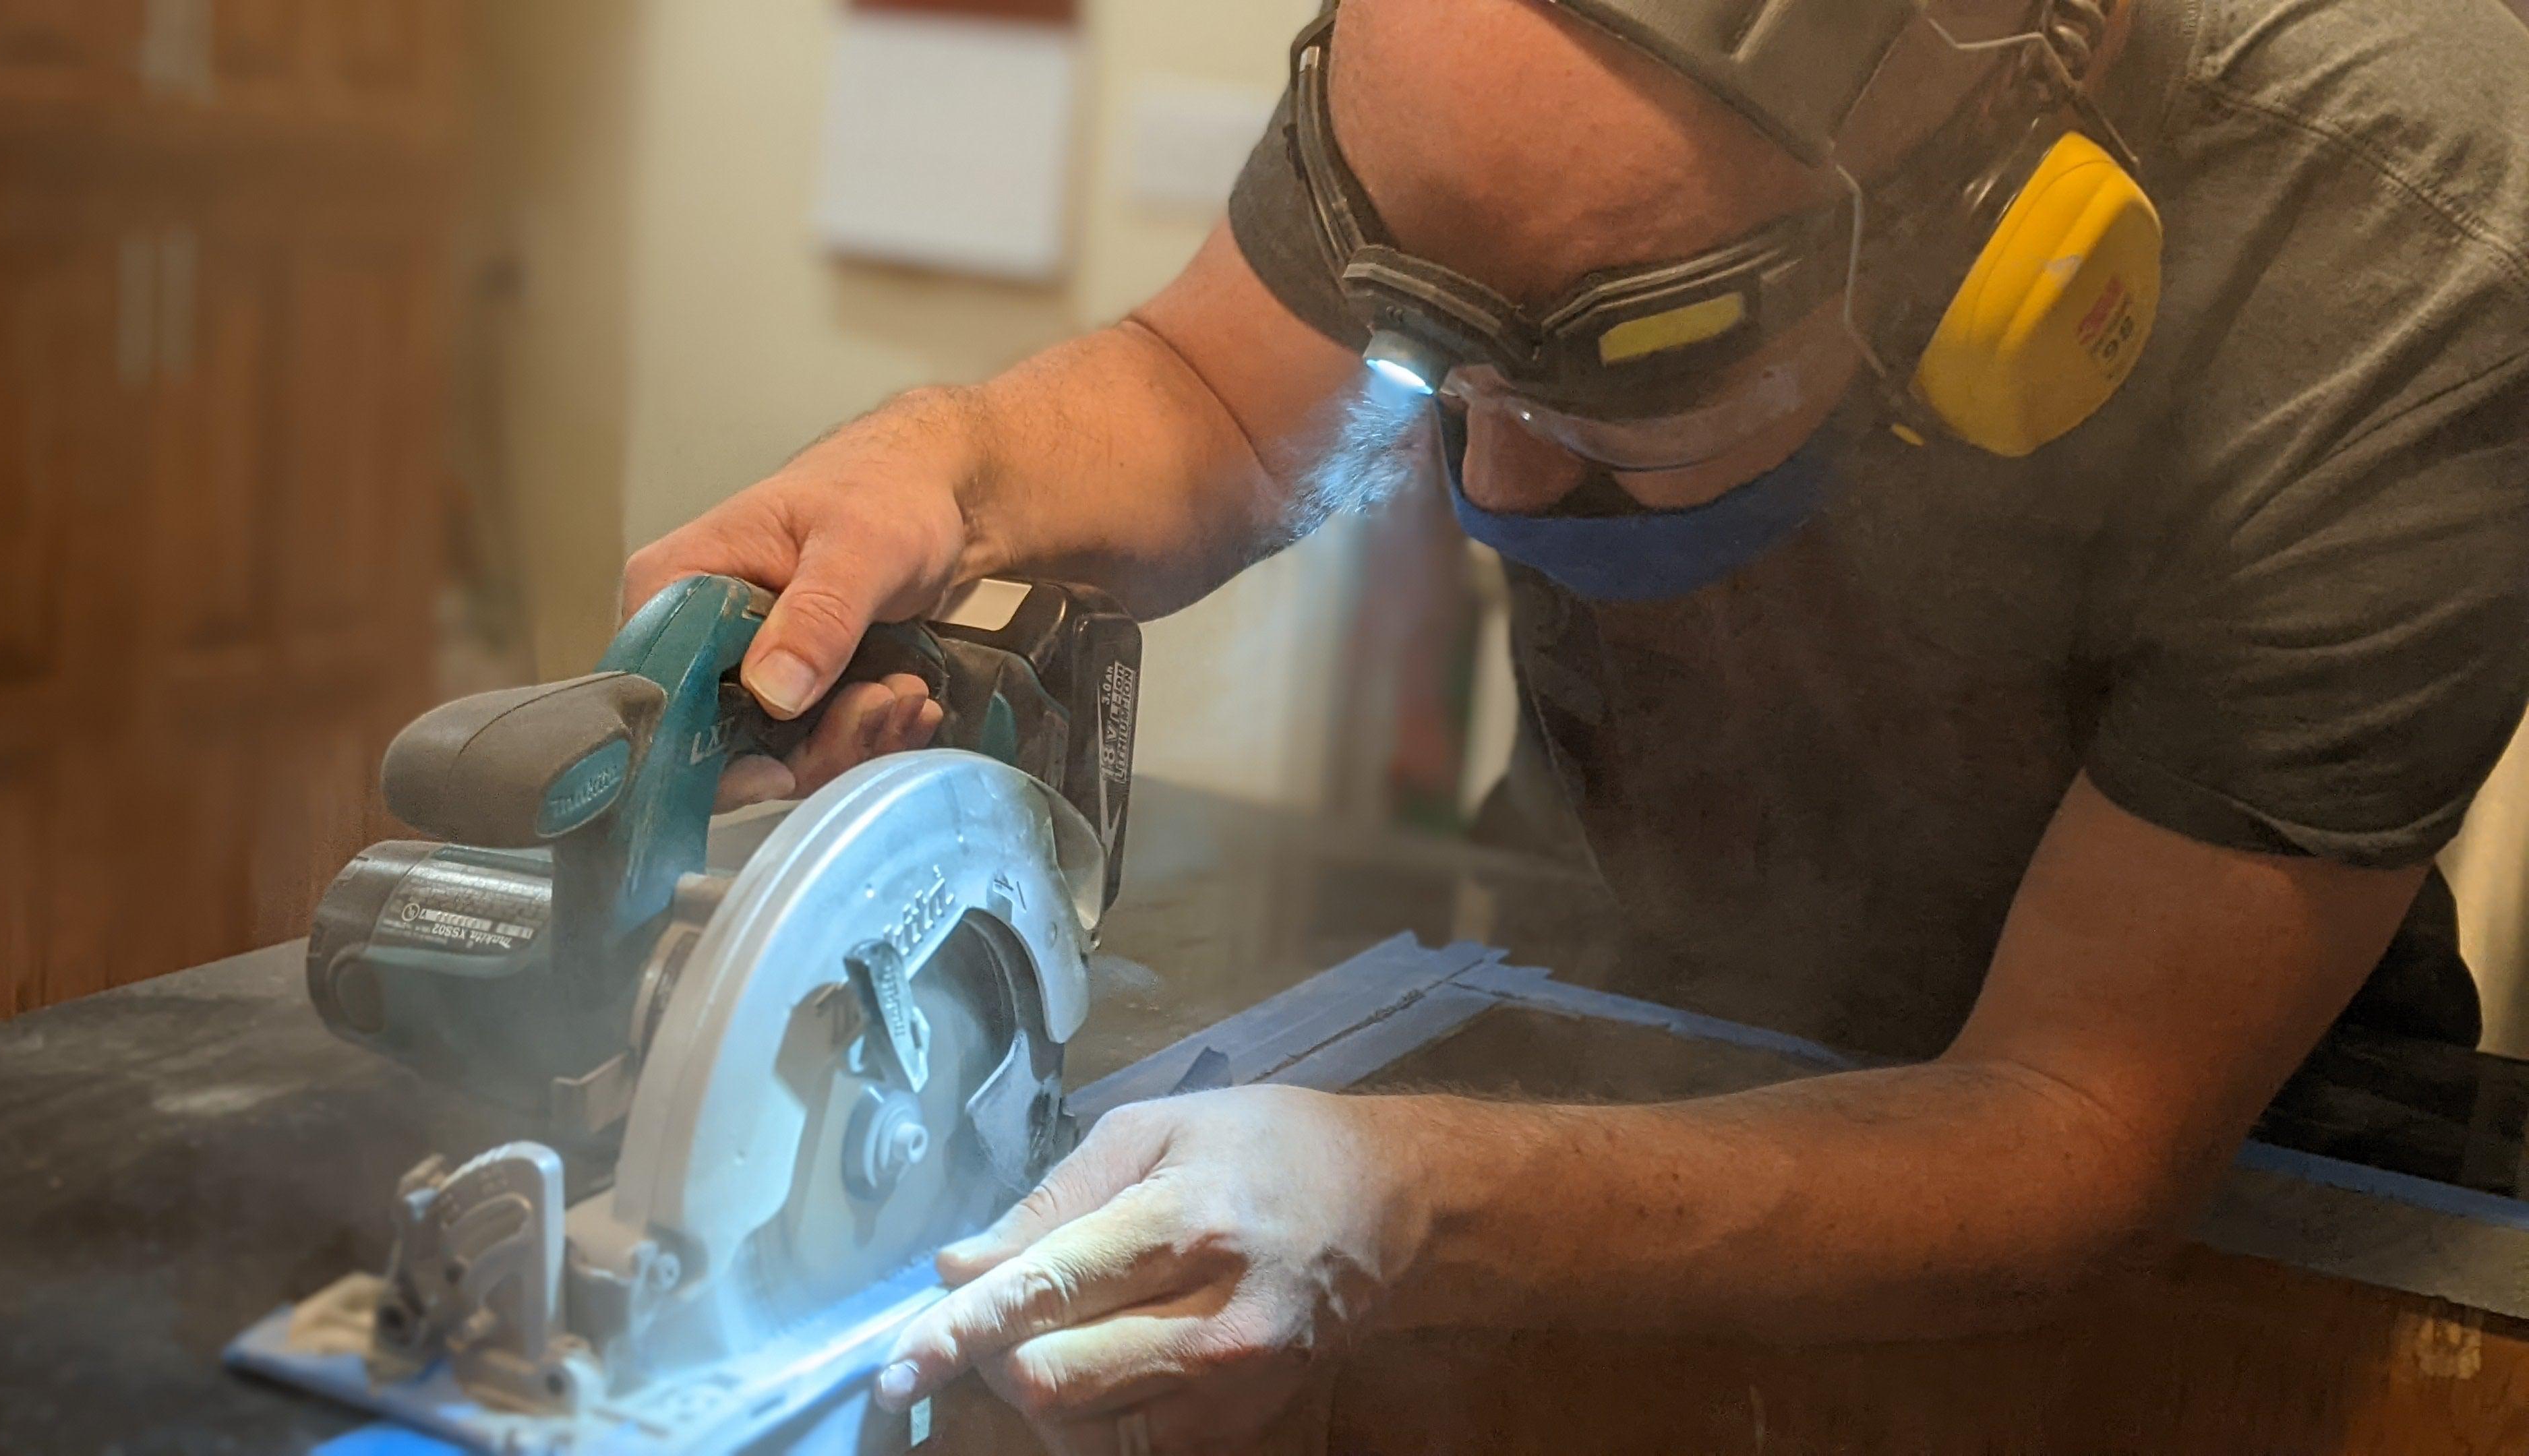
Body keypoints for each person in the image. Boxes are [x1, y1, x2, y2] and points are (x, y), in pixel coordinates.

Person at [622, 0, 2529, 1447]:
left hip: (2222, 1166)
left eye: (1635, 351)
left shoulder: (2410, 242)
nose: (1497, 489)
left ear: (2007, 214)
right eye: (1428, 344)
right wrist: (946, 469)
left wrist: (1400, 1194)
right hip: (1617, 979)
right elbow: (1215, 389)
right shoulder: (1473, 82)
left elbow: (2073, 1128)